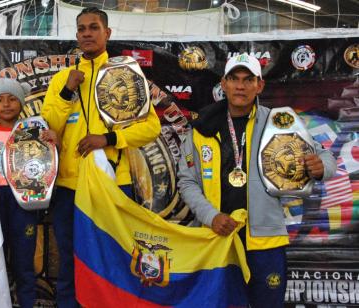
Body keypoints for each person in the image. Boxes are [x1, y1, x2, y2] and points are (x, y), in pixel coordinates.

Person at [177, 54, 337, 307]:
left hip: (265, 239)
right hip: (216, 238)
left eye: (248, 79)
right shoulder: (201, 128)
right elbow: (187, 182)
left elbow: (324, 156)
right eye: (234, 79)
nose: (241, 86)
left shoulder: (279, 122)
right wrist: (211, 216)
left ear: (259, 85)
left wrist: (320, 169)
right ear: (224, 84)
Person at [41, 7, 161, 307]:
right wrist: (69, 90)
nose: (86, 33)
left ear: (107, 33)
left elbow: (151, 128)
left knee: (114, 257)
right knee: (69, 259)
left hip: (113, 183)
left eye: (93, 27)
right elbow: (50, 126)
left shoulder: (126, 74)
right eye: (81, 28)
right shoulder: (61, 79)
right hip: (70, 185)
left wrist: (108, 140)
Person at [0, 78, 55, 308]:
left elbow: (46, 166)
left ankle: (25, 302)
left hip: (23, 202)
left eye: (12, 99)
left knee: (23, 260)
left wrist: (51, 142)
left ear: (22, 102)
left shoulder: (34, 133)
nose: (6, 104)